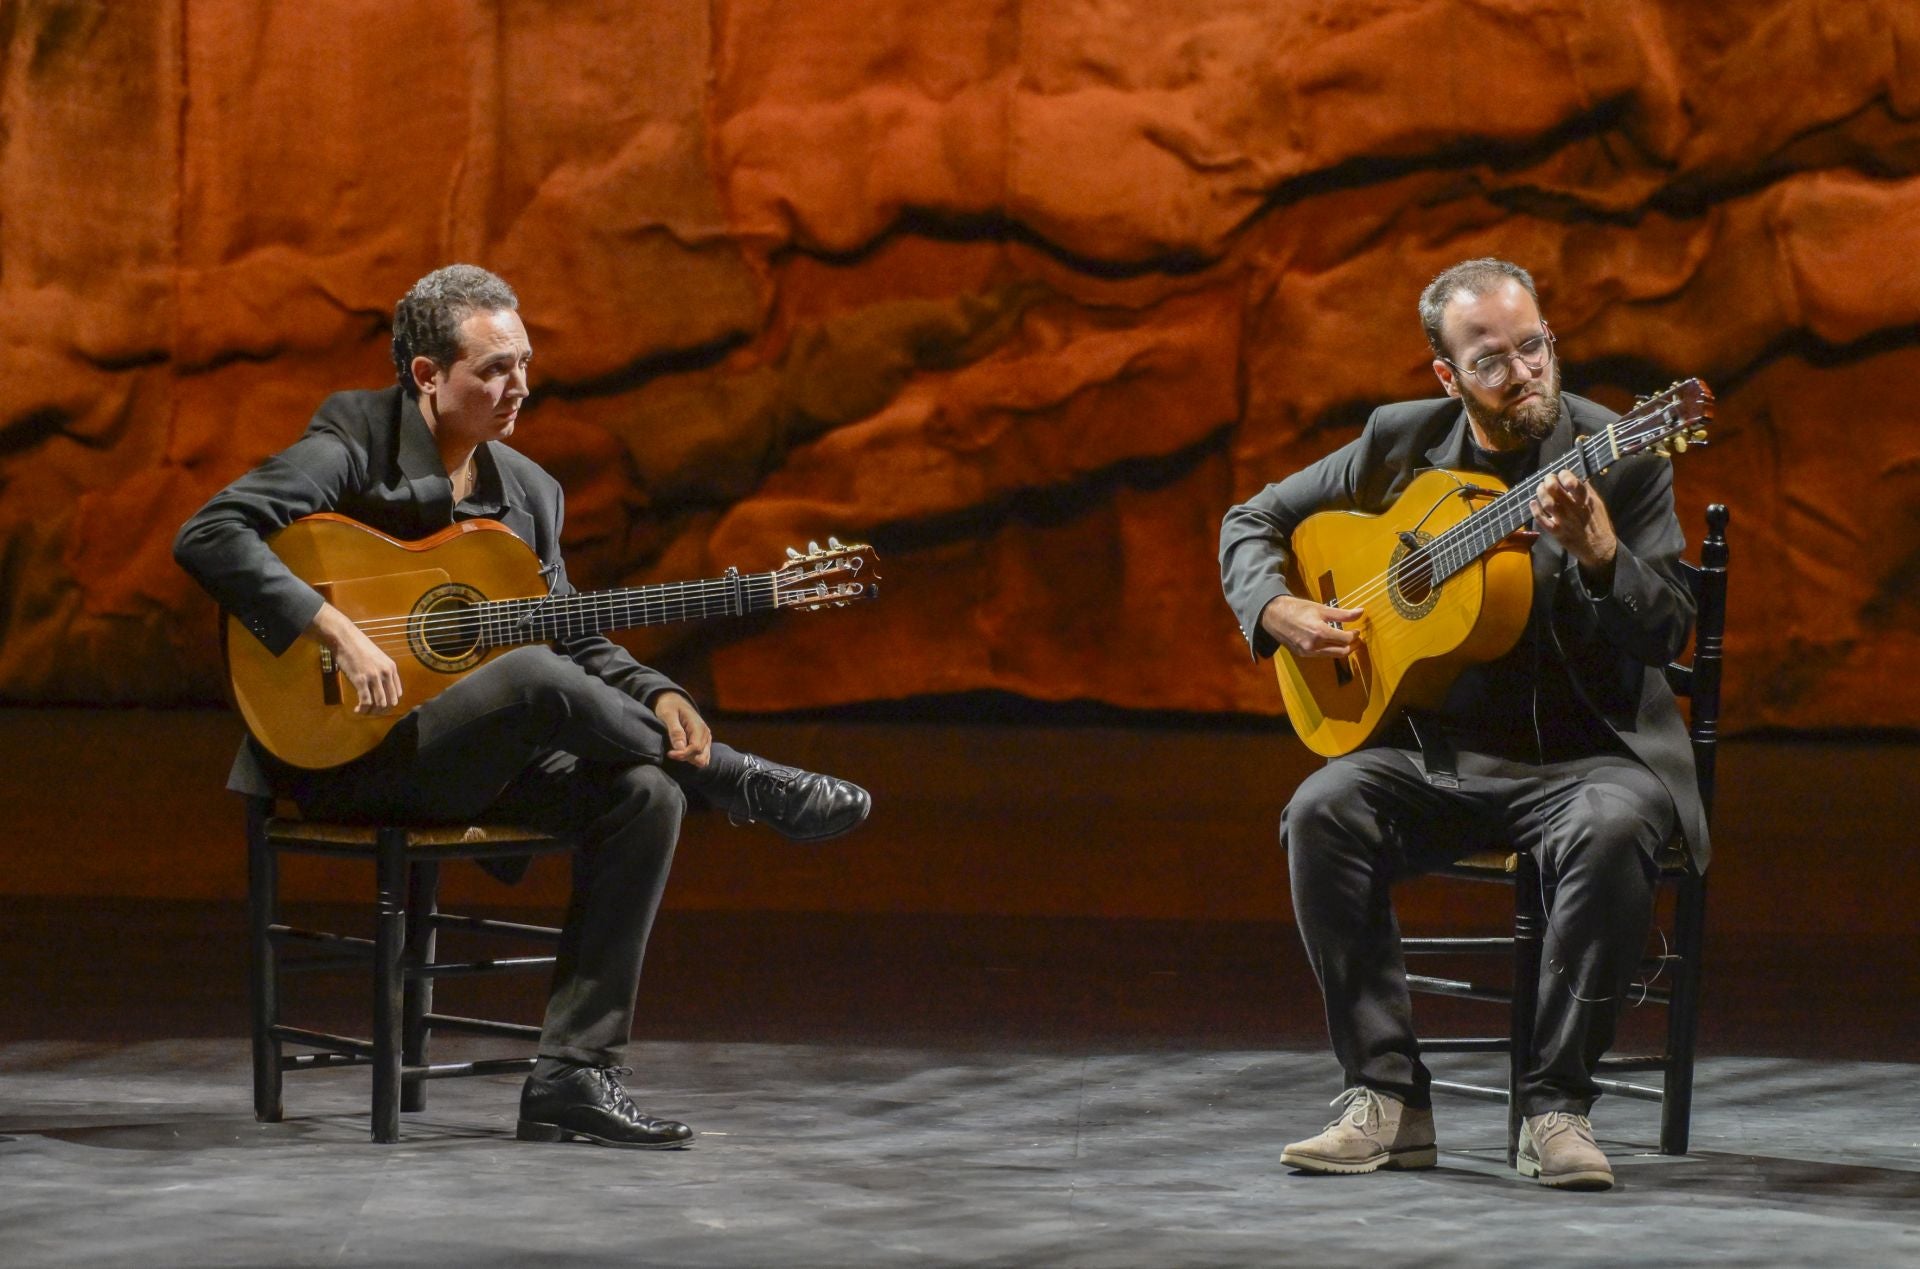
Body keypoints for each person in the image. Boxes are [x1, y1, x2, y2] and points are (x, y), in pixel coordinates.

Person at [175, 264, 871, 1150]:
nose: (520, 387)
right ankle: (735, 779)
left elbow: (568, 631)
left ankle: (572, 1076)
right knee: (535, 680)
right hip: (344, 755)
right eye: (495, 369)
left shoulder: (530, 492)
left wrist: (658, 690)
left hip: (464, 761)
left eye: (525, 364)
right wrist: (333, 628)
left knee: (645, 794)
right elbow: (209, 533)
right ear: (427, 375)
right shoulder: (354, 440)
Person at [1218, 258, 1708, 1191]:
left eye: (1535, 348)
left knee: (1613, 826)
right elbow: (1253, 519)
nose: (1523, 374)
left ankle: (1557, 1108)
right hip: (1438, 757)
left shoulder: (1623, 452)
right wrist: (1276, 609)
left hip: (1590, 759)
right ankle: (1387, 1098)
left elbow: (1667, 630)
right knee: (1322, 809)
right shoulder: (1400, 441)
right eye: (1491, 361)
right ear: (1447, 375)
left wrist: (1603, 554)